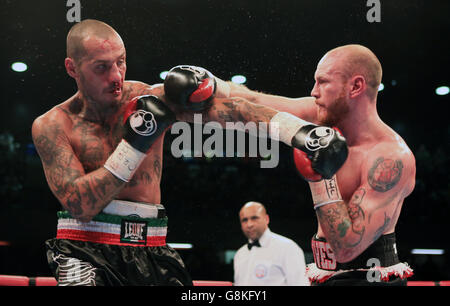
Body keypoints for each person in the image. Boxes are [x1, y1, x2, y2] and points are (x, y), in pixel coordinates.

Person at [31, 19, 348, 286]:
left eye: (121, 61)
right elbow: (80, 204)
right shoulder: (52, 126)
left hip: (151, 244)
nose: (116, 75)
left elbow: (233, 110)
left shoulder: (147, 98)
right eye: (102, 67)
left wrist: (300, 133)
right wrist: (134, 145)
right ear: (72, 68)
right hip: (86, 250)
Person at [214, 44, 416, 286]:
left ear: (356, 86)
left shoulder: (391, 158)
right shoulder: (319, 117)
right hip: (324, 274)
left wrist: (321, 177)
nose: (313, 91)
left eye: (323, 82)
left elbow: (346, 249)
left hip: (368, 279)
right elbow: (255, 102)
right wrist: (208, 86)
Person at [233, 202, 309, 286]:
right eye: (244, 220)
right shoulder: (240, 254)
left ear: (266, 219)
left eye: (254, 218)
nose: (249, 224)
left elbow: (301, 283)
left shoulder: (287, 248)